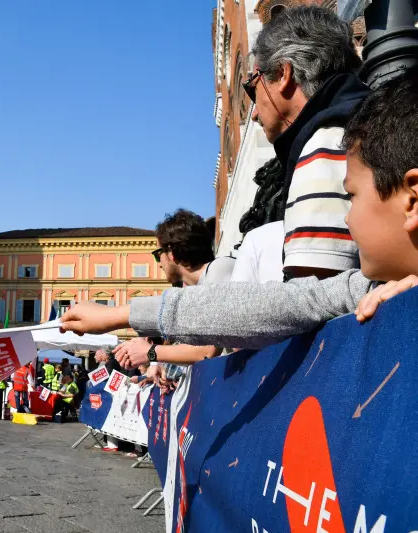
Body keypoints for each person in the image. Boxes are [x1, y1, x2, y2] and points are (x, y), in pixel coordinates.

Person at [59, 68, 418, 351]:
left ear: (411, 200)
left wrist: (121, 316)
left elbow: (279, 306)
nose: (345, 216)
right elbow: (285, 303)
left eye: (352, 196)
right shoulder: (365, 287)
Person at [246, 6, 369, 281]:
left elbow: (310, 295)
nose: (254, 113)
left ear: (282, 74)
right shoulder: (366, 117)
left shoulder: (326, 144)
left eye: (252, 86)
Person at [111, 209, 235, 378]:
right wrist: (165, 368)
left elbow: (206, 350)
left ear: (172, 254)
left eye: (157, 255)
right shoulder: (201, 286)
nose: (159, 264)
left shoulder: (220, 271)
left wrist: (150, 352)